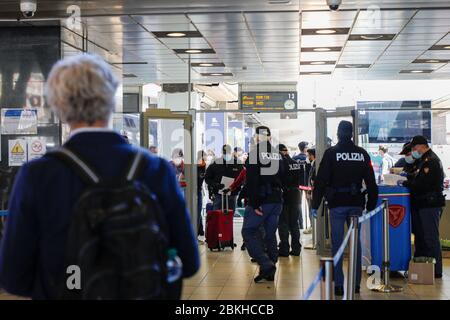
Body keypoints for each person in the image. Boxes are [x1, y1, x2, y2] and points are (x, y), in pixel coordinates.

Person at [0, 54, 200, 299]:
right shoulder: (155, 169)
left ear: (58, 107)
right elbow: (189, 263)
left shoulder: (38, 175)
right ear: (111, 102)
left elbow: (14, 276)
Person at [311, 121, 378, 296]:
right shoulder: (362, 154)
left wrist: (314, 204)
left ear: (339, 133)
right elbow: (371, 181)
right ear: (352, 134)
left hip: (337, 205)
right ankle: (355, 284)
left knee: (337, 245)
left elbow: (321, 181)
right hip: (356, 205)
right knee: (355, 245)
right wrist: (371, 203)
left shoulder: (331, 153)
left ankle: (339, 285)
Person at [242, 126, 285, 283]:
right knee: (270, 233)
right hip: (277, 200)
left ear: (257, 137)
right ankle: (270, 269)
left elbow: (252, 181)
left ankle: (265, 264)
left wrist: (254, 203)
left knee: (248, 231)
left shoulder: (255, 154)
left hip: (262, 200)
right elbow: (284, 177)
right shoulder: (278, 155)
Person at [399, 136, 445, 278]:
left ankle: (436, 271)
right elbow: (418, 179)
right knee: (422, 237)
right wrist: (408, 178)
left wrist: (405, 182)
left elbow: (423, 185)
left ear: (421, 146)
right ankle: (423, 268)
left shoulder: (430, 161)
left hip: (429, 204)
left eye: (414, 148)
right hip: (423, 204)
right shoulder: (423, 160)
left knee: (430, 238)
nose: (413, 151)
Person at [277, 144, 302, 257]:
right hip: (296, 195)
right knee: (294, 223)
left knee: (283, 223)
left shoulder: (281, 164)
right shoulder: (296, 163)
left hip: (285, 195)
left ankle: (284, 249)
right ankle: (296, 249)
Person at [205, 144, 243, 211]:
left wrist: (236, 187)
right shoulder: (215, 164)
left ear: (231, 152)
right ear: (222, 152)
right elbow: (207, 178)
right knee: (217, 215)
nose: (226, 154)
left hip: (232, 194)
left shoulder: (238, 164)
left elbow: (242, 178)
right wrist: (215, 185)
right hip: (218, 194)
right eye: (225, 152)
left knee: (229, 216)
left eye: (228, 152)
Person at [292, 141, 310, 230]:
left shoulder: (294, 158)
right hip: (307, 185)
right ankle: (312, 225)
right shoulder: (308, 158)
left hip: (297, 185)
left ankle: (300, 224)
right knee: (310, 204)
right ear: (305, 148)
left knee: (298, 204)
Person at [304, 148, 316, 235]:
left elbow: (312, 179)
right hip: (311, 191)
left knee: (312, 208)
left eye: (308, 156)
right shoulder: (312, 164)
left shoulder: (315, 165)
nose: (308, 157)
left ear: (312, 155)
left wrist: (309, 192)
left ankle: (313, 227)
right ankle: (313, 227)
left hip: (313, 193)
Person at [197, 150, 207, 240]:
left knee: (198, 211)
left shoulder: (203, 166)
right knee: (197, 212)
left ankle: (200, 230)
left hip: (198, 190)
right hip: (194, 191)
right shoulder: (197, 166)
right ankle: (198, 231)